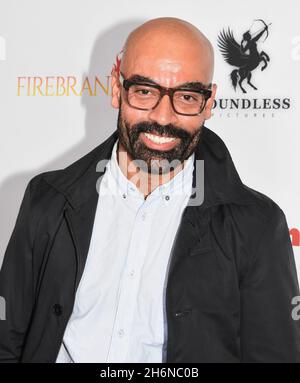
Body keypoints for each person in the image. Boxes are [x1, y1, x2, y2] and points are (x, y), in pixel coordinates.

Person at [0, 17, 299, 363]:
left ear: (209, 101)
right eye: (145, 91)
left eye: (186, 96)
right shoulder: (47, 200)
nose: (163, 116)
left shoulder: (257, 226)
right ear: (117, 88)